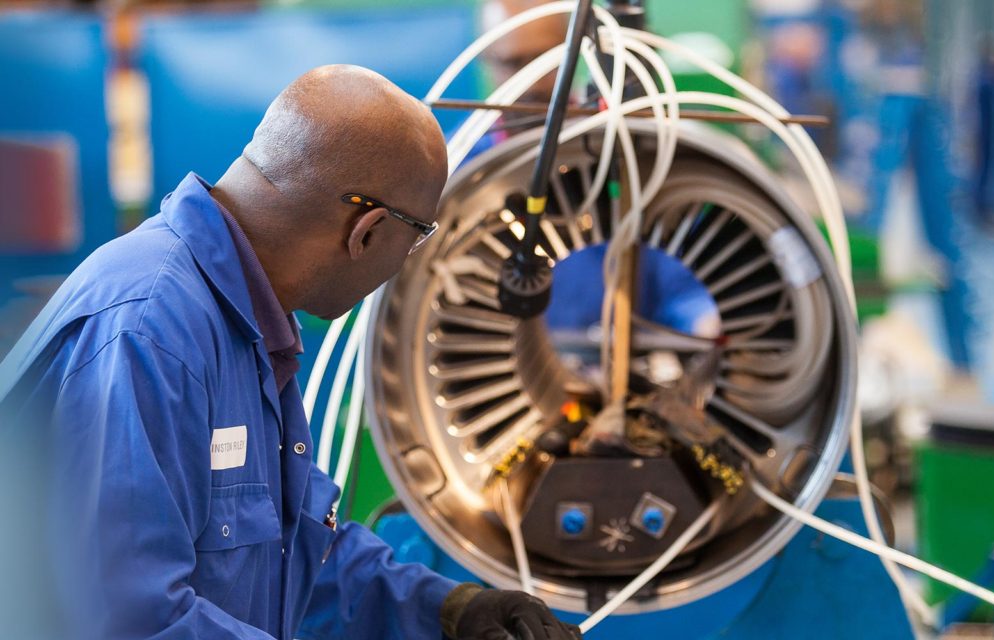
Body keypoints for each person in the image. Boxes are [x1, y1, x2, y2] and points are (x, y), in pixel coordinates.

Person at [0, 64, 580, 640]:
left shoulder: (245, 328)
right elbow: (131, 621)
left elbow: (297, 552)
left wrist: (452, 610)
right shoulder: (151, 331)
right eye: (417, 239)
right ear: (368, 230)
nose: (405, 264)